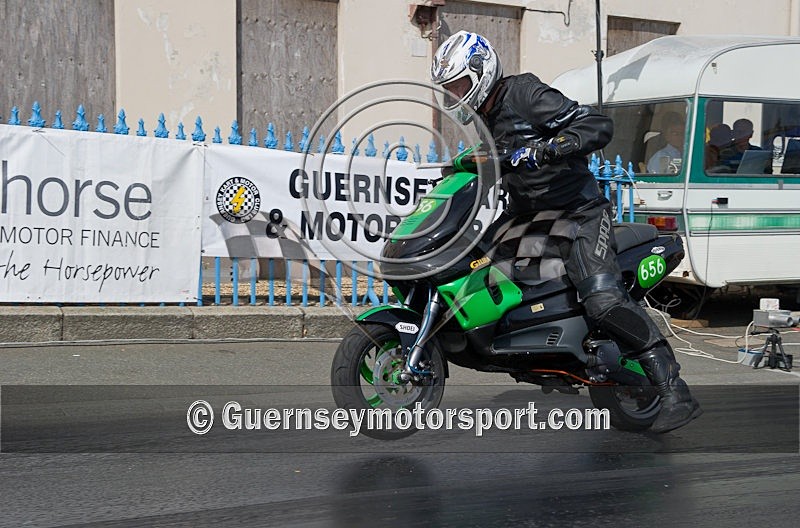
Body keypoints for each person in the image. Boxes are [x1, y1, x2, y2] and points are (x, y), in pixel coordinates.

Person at [430, 30, 701, 433]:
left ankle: (673, 387)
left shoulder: (525, 94)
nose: (454, 95)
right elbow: (503, 161)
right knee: (474, 273)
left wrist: (549, 147)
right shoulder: (483, 117)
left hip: (579, 214)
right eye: (448, 90)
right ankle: (528, 351)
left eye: (458, 85)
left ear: (481, 71)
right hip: (527, 217)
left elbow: (597, 126)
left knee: (602, 300)